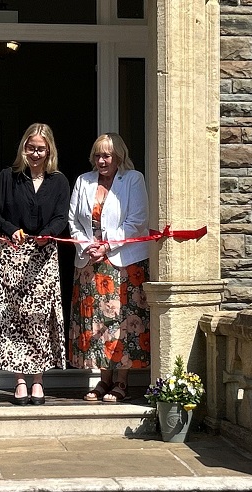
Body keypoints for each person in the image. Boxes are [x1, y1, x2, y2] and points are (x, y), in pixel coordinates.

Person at [0, 123, 70, 405]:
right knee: (15, 318)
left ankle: (38, 381)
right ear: (23, 148)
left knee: (40, 319)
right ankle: (19, 379)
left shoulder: (59, 181)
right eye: (30, 148)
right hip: (13, 253)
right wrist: (10, 228)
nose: (35, 153)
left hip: (44, 257)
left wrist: (49, 234)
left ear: (49, 151)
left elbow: (62, 216)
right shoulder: (8, 177)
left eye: (40, 149)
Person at [68, 132, 150, 402]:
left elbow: (137, 220)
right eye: (98, 155)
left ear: (119, 157)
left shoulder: (133, 180)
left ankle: (122, 382)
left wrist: (107, 246)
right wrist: (87, 246)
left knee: (122, 322)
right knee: (97, 324)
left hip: (124, 264)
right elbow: (73, 221)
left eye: (107, 155)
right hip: (90, 263)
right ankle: (103, 380)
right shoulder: (83, 181)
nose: (101, 160)